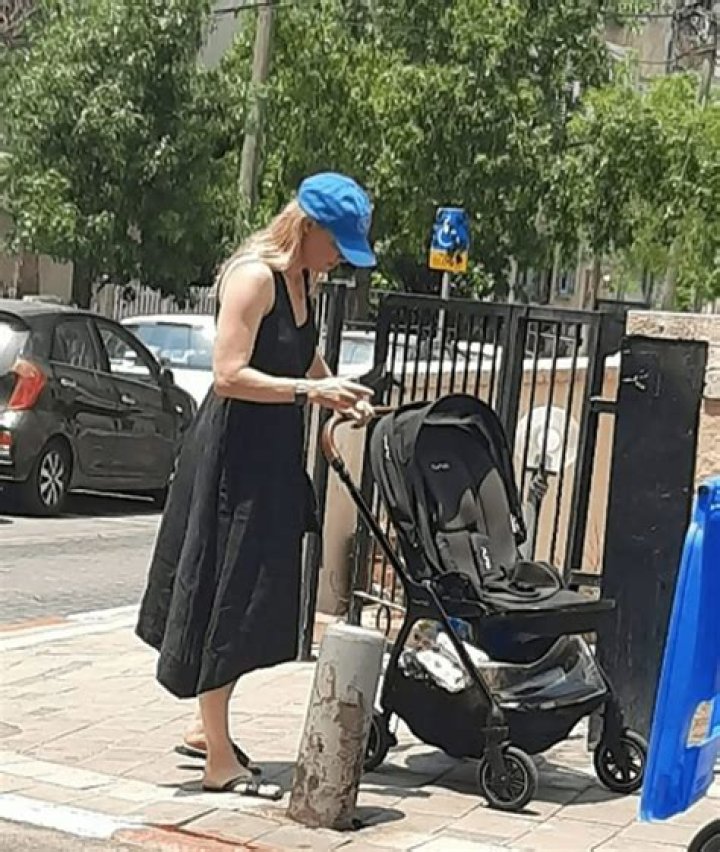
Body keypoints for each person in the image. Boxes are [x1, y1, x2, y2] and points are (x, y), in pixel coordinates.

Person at [135, 172, 376, 800]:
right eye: (338, 244)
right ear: (308, 226)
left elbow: (302, 361)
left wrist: (337, 394)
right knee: (228, 587)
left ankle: (203, 726)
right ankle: (218, 757)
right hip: (231, 457)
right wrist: (310, 392)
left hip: (270, 452)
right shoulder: (252, 277)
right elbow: (228, 376)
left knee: (252, 591)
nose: (341, 259)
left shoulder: (306, 282)